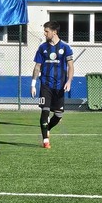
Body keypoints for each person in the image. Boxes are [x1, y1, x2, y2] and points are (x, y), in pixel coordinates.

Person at [31, 21, 74, 149]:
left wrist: (69, 81)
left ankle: (48, 127)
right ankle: (45, 141)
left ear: (54, 32)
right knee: (44, 112)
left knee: (58, 115)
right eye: (44, 31)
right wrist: (33, 84)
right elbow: (37, 66)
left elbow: (71, 66)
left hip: (60, 86)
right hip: (45, 85)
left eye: (46, 31)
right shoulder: (42, 48)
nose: (45, 34)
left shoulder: (66, 48)